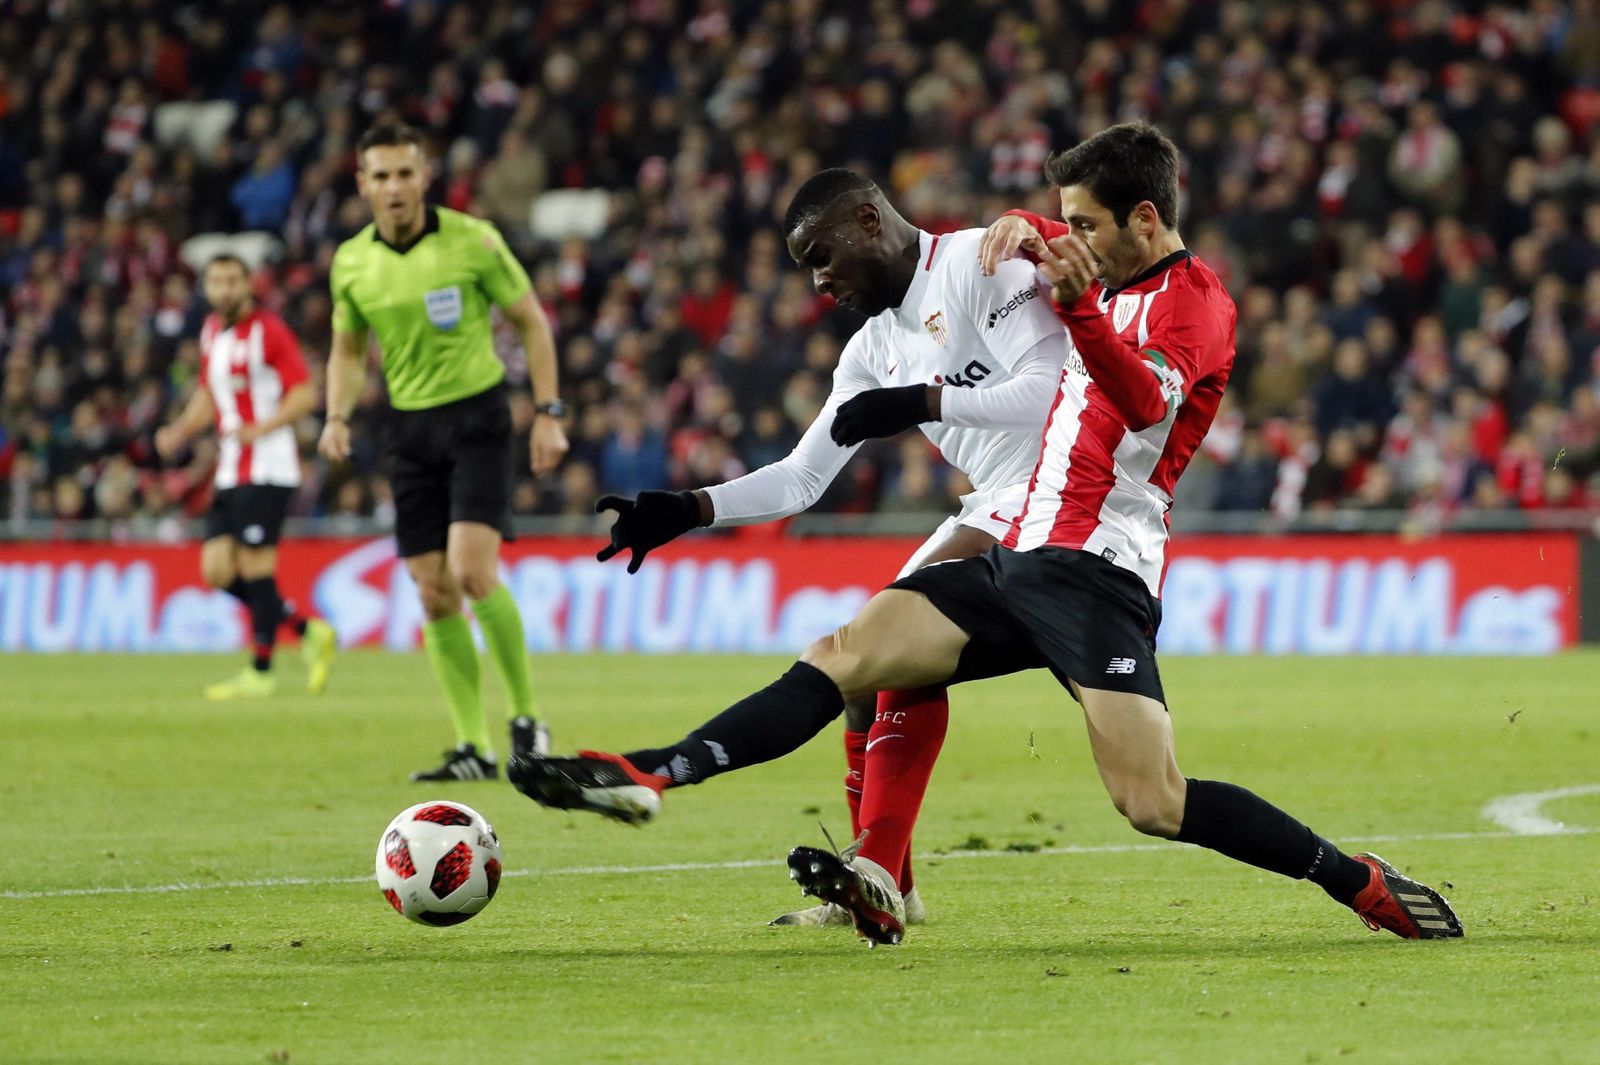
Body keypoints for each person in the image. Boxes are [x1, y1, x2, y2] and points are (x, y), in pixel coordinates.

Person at [508, 124, 1463, 947]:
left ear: (1141, 220)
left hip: (1098, 566)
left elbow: (1133, 400)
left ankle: (1356, 879)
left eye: (1083, 224)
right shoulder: (1064, 278)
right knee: (847, 655)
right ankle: (656, 773)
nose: (1067, 238)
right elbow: (806, 471)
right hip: (1013, 549)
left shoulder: (1194, 301)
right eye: (1064, 223)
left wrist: (961, 367)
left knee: (1153, 801)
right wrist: (691, 507)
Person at [589, 167, 1068, 929]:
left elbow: (1051, 391)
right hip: (998, 502)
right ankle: (884, 881)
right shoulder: (871, 350)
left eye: (822, 255)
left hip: (1066, 490)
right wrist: (690, 507)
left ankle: (872, 869)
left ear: (869, 221)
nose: (818, 282)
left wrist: (922, 401)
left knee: (882, 648)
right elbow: (802, 477)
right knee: (862, 678)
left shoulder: (980, 263)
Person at [320, 120, 569, 781]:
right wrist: (336, 414)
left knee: (470, 570)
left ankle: (527, 717)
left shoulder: (473, 241)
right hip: (407, 429)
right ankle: (471, 746)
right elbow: (347, 349)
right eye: (381, 176)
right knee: (431, 591)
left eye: (405, 173)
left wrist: (548, 412)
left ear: (425, 176)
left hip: (476, 418)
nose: (394, 187)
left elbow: (532, 322)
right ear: (363, 184)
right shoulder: (351, 262)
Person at [156, 254, 338, 699]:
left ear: (247, 285)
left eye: (232, 280)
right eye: (216, 281)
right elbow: (208, 394)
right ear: (206, 287)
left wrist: (263, 428)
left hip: (269, 465)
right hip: (230, 468)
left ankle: (261, 670)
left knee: (257, 567)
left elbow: (304, 393)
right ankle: (306, 629)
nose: (224, 289)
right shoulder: (211, 332)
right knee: (217, 570)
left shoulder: (269, 331)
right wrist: (180, 431)